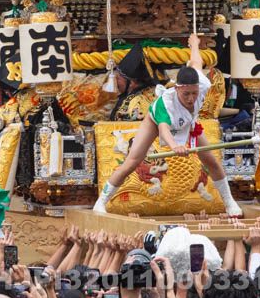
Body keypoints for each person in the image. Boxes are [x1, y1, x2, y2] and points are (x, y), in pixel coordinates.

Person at [93, 34, 243, 216]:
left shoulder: (202, 84)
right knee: (132, 162)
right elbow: (164, 129)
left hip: (188, 124)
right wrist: (175, 147)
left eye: (194, 93)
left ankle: (229, 202)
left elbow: (196, 62)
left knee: (211, 161)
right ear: (178, 87)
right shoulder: (166, 102)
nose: (191, 98)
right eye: (186, 93)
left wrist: (194, 44)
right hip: (155, 124)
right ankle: (101, 202)